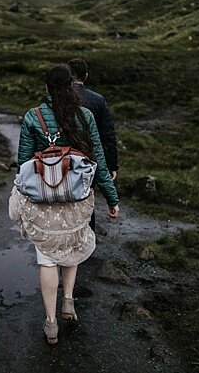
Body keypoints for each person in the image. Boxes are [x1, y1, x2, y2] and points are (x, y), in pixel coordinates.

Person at [8, 64, 121, 344]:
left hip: (43, 199)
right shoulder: (84, 115)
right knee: (73, 244)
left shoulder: (33, 116)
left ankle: (50, 323)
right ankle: (68, 301)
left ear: (47, 88)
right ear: (71, 86)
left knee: (46, 258)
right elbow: (99, 161)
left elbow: (23, 163)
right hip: (77, 196)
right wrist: (112, 197)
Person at [66, 57, 119, 228]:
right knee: (87, 200)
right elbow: (107, 135)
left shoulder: (56, 99)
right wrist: (111, 165)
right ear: (86, 76)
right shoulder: (98, 100)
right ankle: (86, 244)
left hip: (61, 159)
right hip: (89, 160)